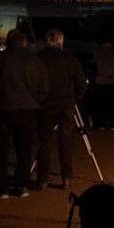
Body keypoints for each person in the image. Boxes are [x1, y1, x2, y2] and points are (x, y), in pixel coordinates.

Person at [0, 30, 49, 199]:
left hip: (1, 108)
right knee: (24, 149)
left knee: (0, 149)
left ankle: (1, 187)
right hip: (27, 110)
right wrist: (33, 100)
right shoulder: (35, 61)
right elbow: (44, 89)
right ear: (25, 42)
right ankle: (22, 185)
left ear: (7, 42)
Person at [38, 29, 87, 188]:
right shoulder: (70, 59)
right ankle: (66, 177)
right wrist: (74, 99)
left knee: (44, 142)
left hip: (44, 105)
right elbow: (81, 84)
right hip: (65, 105)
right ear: (61, 41)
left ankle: (42, 179)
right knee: (65, 141)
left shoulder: (39, 58)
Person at [91, 38, 114, 129]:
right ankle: (113, 123)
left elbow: (94, 65)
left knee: (101, 103)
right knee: (113, 103)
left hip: (101, 80)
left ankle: (100, 123)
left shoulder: (97, 51)